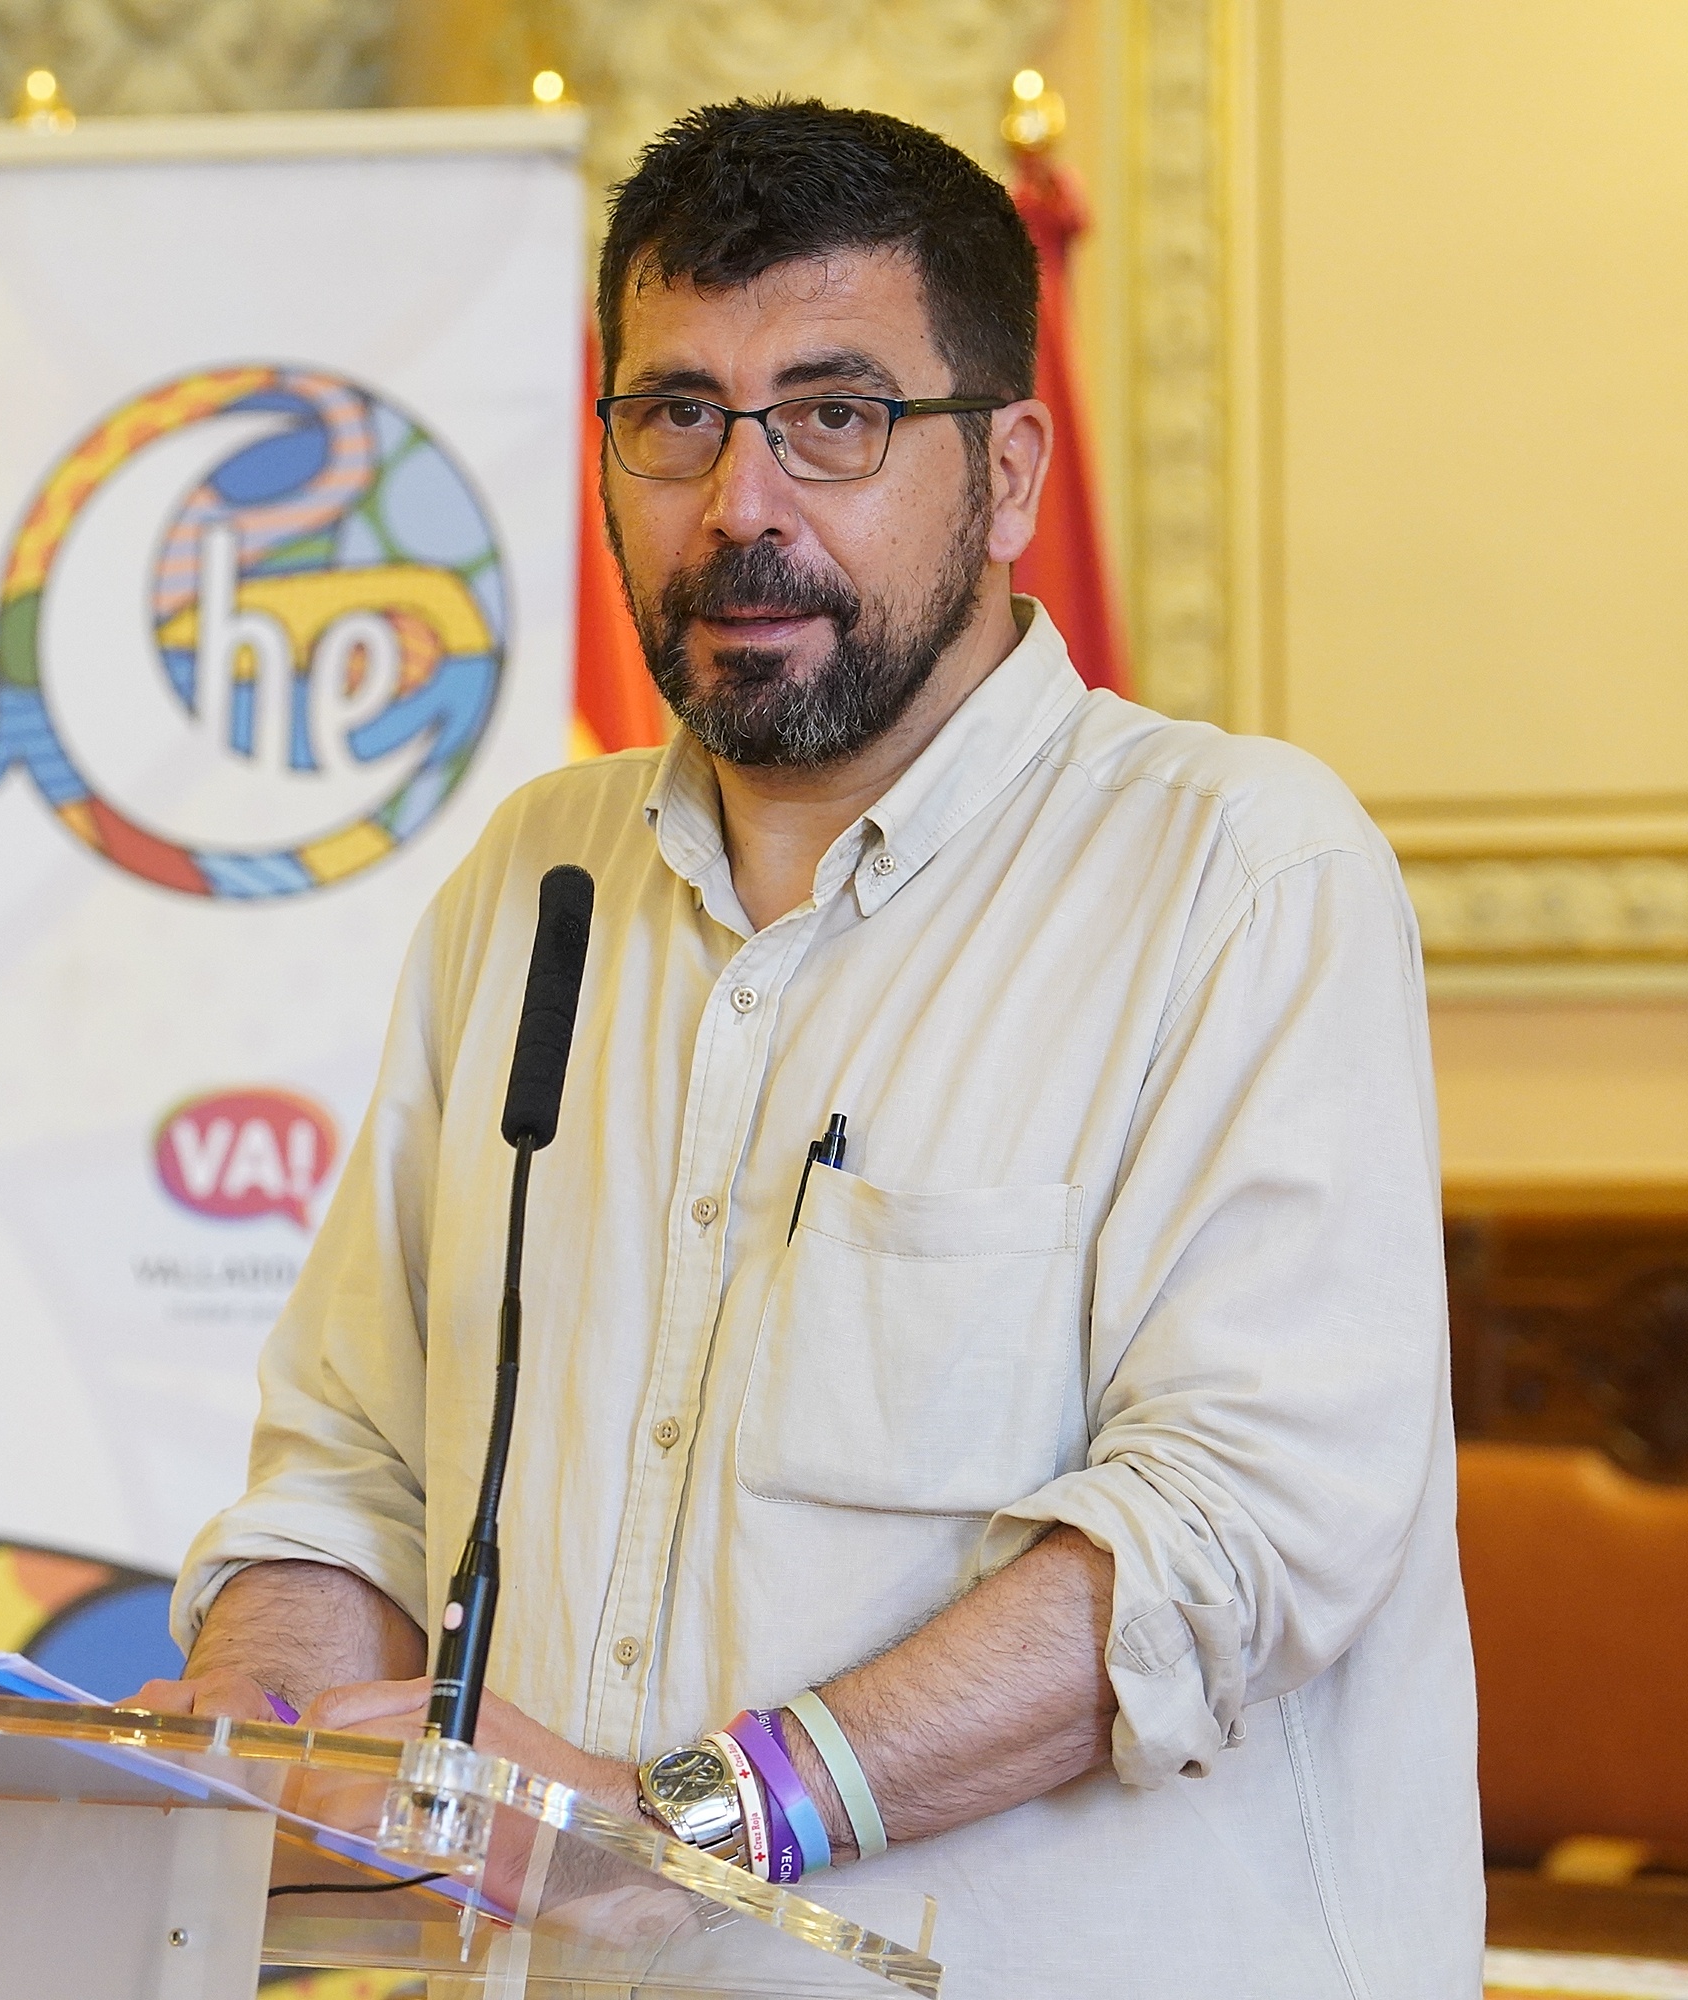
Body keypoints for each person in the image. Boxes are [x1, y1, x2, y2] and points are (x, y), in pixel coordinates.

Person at [128, 98, 1481, 1997]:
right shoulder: (533, 882)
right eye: (678, 415)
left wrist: (671, 1821)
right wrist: (257, 1745)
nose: (741, 505)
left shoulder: (1239, 870)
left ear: (1008, 474)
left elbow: (1231, 1540)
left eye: (835, 417)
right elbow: (352, 1470)